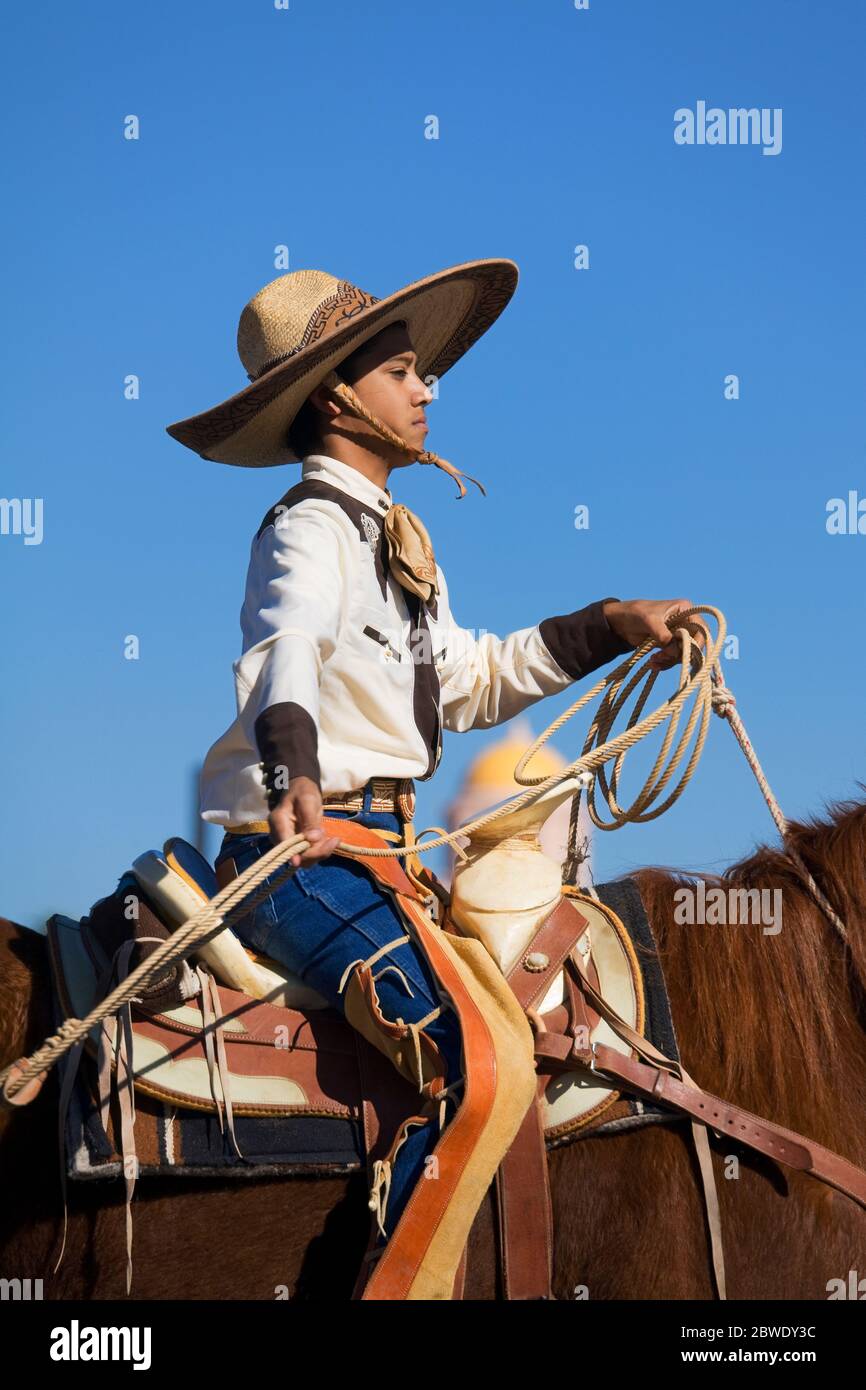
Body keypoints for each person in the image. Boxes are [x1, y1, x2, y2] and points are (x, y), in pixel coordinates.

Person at [165, 259, 701, 1298]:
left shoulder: (399, 542)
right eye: (403, 373)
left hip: (379, 858)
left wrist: (609, 626)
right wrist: (295, 770)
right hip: (299, 854)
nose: (427, 391)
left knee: (514, 1041)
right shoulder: (309, 528)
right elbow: (285, 649)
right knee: (479, 1059)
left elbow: (466, 680)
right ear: (333, 396)